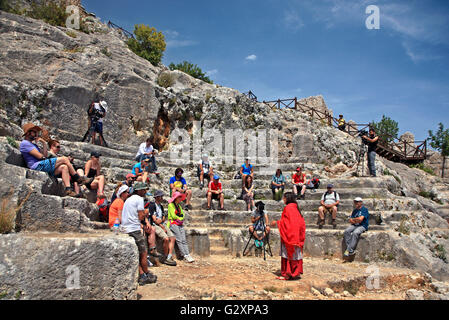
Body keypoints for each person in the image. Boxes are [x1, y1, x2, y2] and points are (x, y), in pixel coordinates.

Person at [19, 123, 92, 197]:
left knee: (64, 167)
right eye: (34, 132)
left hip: (41, 164)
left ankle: (68, 190)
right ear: (28, 133)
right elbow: (40, 156)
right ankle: (78, 178)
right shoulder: (25, 143)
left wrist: (44, 143)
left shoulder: (33, 144)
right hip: (36, 166)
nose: (36, 134)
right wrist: (43, 155)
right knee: (64, 159)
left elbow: (44, 155)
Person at [120, 181, 157, 285]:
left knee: (138, 252)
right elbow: (140, 216)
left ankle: (143, 273)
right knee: (143, 252)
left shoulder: (128, 199)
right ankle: (144, 274)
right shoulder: (139, 199)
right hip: (133, 228)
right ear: (139, 190)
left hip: (126, 228)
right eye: (144, 190)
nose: (145, 192)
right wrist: (145, 213)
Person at [270, 192, 305, 281]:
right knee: (295, 254)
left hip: (290, 235)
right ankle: (295, 272)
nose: (283, 199)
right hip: (296, 235)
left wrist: (277, 223)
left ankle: (288, 273)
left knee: (288, 254)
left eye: (284, 198)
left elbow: (287, 223)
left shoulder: (288, 208)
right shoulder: (296, 208)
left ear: (287, 198)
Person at [148, 190, 177, 266]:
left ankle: (169, 256)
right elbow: (154, 220)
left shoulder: (160, 206)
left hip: (161, 224)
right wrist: (161, 225)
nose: (162, 198)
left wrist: (161, 222)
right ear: (157, 197)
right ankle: (165, 256)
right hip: (155, 225)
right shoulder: (152, 205)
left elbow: (163, 218)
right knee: (166, 239)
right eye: (160, 196)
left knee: (173, 238)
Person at [167, 191, 195, 263]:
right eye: (179, 197)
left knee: (184, 240)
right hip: (173, 223)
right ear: (176, 198)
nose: (180, 198)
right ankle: (184, 255)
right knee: (179, 239)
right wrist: (179, 218)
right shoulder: (171, 205)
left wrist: (179, 219)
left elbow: (183, 215)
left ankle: (187, 254)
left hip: (179, 223)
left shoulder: (179, 206)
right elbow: (173, 216)